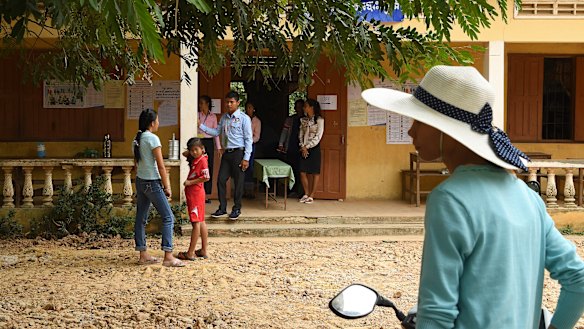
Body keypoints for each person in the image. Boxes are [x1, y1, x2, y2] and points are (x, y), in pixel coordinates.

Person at [362, 65, 584, 329]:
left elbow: (436, 312)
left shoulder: (450, 199)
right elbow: (578, 280)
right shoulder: (528, 197)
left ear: (446, 130)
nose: (411, 132)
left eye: (419, 121)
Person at [132, 109, 184, 267]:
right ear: (152, 123)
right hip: (152, 182)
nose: (159, 123)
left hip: (140, 181)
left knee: (141, 218)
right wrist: (167, 187)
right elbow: (161, 166)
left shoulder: (137, 139)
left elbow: (136, 164)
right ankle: (168, 256)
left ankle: (143, 254)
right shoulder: (152, 139)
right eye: (157, 120)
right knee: (168, 217)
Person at [199, 90, 253, 220]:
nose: (229, 104)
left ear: (238, 103)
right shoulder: (224, 118)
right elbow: (216, 132)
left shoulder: (244, 119)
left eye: (231, 102)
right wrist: (201, 126)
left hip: (238, 153)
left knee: (238, 182)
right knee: (221, 180)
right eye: (227, 102)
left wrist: (246, 158)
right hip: (227, 153)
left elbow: (248, 139)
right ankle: (222, 208)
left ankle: (236, 208)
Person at [177, 138, 210, 261]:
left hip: (195, 194)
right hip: (196, 193)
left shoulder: (202, 161)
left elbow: (206, 177)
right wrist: (191, 152)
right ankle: (203, 250)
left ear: (202, 148)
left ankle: (190, 253)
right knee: (201, 221)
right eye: (192, 150)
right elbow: (184, 153)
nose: (194, 152)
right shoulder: (198, 158)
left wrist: (190, 182)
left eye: (196, 149)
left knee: (196, 222)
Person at [298, 98, 324, 204]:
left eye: (306, 106)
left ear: (311, 107)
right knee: (302, 171)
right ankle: (306, 193)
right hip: (304, 147)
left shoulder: (319, 120)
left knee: (315, 172)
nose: (304, 108)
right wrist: (302, 145)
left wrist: (308, 146)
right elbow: (300, 134)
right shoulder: (303, 120)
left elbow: (318, 136)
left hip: (314, 147)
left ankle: (312, 195)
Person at [197, 95, 221, 204]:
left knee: (208, 167)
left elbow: (215, 133)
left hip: (209, 142)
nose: (200, 105)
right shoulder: (196, 115)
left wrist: (219, 147)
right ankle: (198, 193)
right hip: (199, 142)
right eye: (199, 103)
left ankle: (206, 194)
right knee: (198, 167)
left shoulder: (213, 117)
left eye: (202, 103)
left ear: (207, 104)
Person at [278, 99, 304, 196]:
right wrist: (281, 144)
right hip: (291, 147)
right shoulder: (290, 119)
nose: (298, 109)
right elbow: (284, 132)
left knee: (300, 170)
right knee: (290, 169)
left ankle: (300, 191)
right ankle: (290, 190)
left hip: (301, 148)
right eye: (297, 106)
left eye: (300, 106)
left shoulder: (306, 119)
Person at [244, 100, 261, 198]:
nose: (248, 109)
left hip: (250, 145)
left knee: (249, 167)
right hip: (240, 145)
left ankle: (249, 191)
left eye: (250, 107)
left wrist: (248, 142)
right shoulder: (242, 118)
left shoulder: (256, 121)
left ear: (254, 109)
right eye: (247, 107)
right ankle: (241, 190)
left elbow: (257, 137)